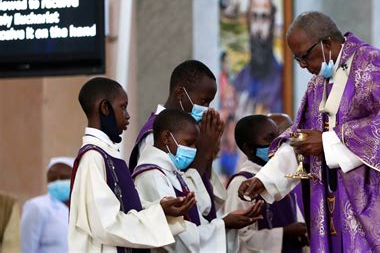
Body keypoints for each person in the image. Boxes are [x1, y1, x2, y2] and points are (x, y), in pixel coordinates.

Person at [239, 11, 380, 252]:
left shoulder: (378, 65)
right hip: (332, 203)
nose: (302, 66)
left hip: (375, 201)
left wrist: (328, 142)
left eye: (304, 56)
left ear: (327, 44)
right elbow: (302, 136)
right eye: (296, 59)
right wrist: (266, 179)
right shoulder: (318, 83)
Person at [69, 77, 195, 252]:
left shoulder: (108, 154)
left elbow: (125, 207)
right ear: (105, 108)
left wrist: (160, 209)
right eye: (122, 107)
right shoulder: (92, 157)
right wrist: (157, 215)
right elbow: (106, 224)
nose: (128, 115)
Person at [133, 109, 263, 252]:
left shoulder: (170, 171)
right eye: (189, 143)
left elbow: (196, 218)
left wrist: (227, 222)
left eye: (195, 145)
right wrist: (224, 224)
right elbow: (176, 236)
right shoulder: (152, 176)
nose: (194, 150)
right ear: (166, 138)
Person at [129, 60, 227, 225]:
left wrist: (208, 150)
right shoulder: (154, 135)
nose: (207, 108)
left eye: (210, 103)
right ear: (180, 94)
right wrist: (203, 151)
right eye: (203, 101)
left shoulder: (189, 130)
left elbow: (203, 193)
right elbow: (170, 193)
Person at [225, 115, 307, 253]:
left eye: (278, 137)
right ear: (249, 148)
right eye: (269, 139)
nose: (277, 143)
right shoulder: (241, 182)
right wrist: (284, 233)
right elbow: (240, 238)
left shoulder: (282, 177)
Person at [234, 0, 283, 116]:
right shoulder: (240, 80)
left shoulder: (282, 79)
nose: (259, 29)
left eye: (264, 17)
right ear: (248, 22)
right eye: (254, 17)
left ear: (272, 21)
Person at [21, 157, 74, 253]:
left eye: (63, 177)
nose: (58, 182)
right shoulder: (36, 207)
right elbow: (27, 247)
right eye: (52, 179)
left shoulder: (82, 209)